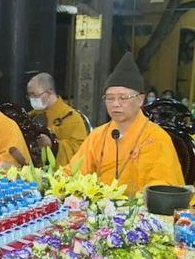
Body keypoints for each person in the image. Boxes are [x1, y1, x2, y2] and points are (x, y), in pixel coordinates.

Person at [66, 52, 184, 196]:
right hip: (98, 208)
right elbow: (73, 172)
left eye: (123, 98)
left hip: (138, 211)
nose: (116, 104)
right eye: (110, 98)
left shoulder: (156, 138)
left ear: (140, 100)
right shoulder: (98, 135)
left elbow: (162, 187)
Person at [27, 73, 87, 166]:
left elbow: (80, 150)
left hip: (61, 175)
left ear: (49, 93)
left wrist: (53, 144)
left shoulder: (71, 117)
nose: (32, 99)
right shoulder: (33, 115)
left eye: (34, 95)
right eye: (29, 96)